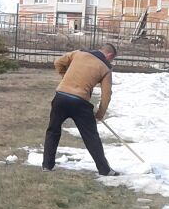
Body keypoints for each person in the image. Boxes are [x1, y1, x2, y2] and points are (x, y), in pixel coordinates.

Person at [42, 43, 120, 176]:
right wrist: (100, 114)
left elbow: (58, 62)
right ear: (110, 55)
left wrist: (66, 78)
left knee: (53, 130)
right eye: (111, 59)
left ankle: (47, 165)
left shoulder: (78, 53)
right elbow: (107, 94)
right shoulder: (106, 68)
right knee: (91, 137)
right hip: (80, 103)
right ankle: (104, 170)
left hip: (61, 96)